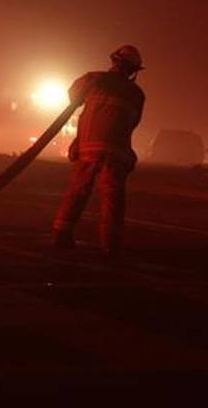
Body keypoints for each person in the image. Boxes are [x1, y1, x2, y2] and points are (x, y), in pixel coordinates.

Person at [52, 45, 146, 259]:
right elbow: (132, 123)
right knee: (113, 197)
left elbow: (73, 96)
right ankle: (111, 245)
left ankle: (62, 233)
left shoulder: (93, 79)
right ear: (133, 71)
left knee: (78, 190)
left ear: (114, 61)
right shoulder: (137, 94)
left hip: (88, 147)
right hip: (117, 152)